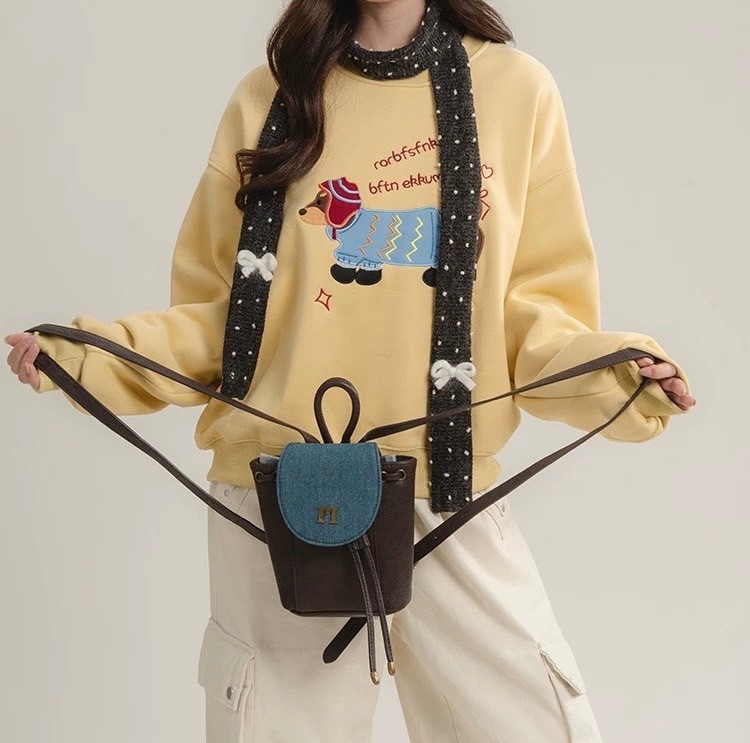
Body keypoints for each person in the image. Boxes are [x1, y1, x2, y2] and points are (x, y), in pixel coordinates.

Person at [5, 0, 696, 740]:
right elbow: (220, 322)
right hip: (274, 499)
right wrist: (87, 358)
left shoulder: (518, 90)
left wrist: (618, 378)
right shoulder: (268, 97)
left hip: (445, 496)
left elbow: (535, 317)